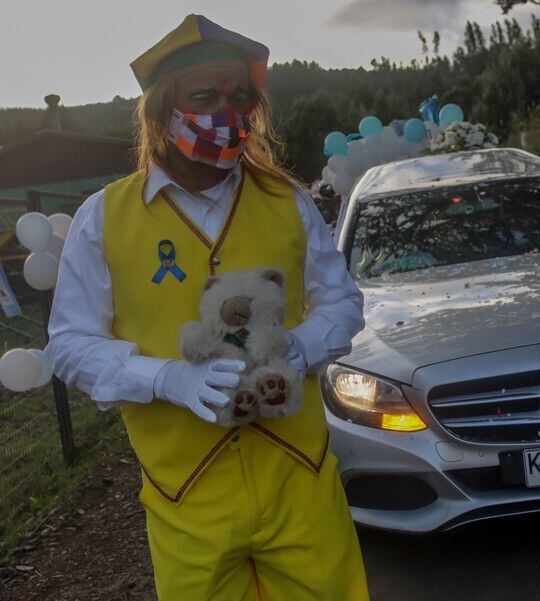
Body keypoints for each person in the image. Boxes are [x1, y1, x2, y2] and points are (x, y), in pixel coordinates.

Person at [46, 15, 369, 600]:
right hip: (185, 498)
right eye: (205, 96)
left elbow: (343, 303)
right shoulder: (101, 219)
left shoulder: (287, 201)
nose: (226, 112)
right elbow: (69, 345)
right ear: (162, 111)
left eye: (238, 97)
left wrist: (300, 347)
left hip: (299, 479)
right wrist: (164, 377)